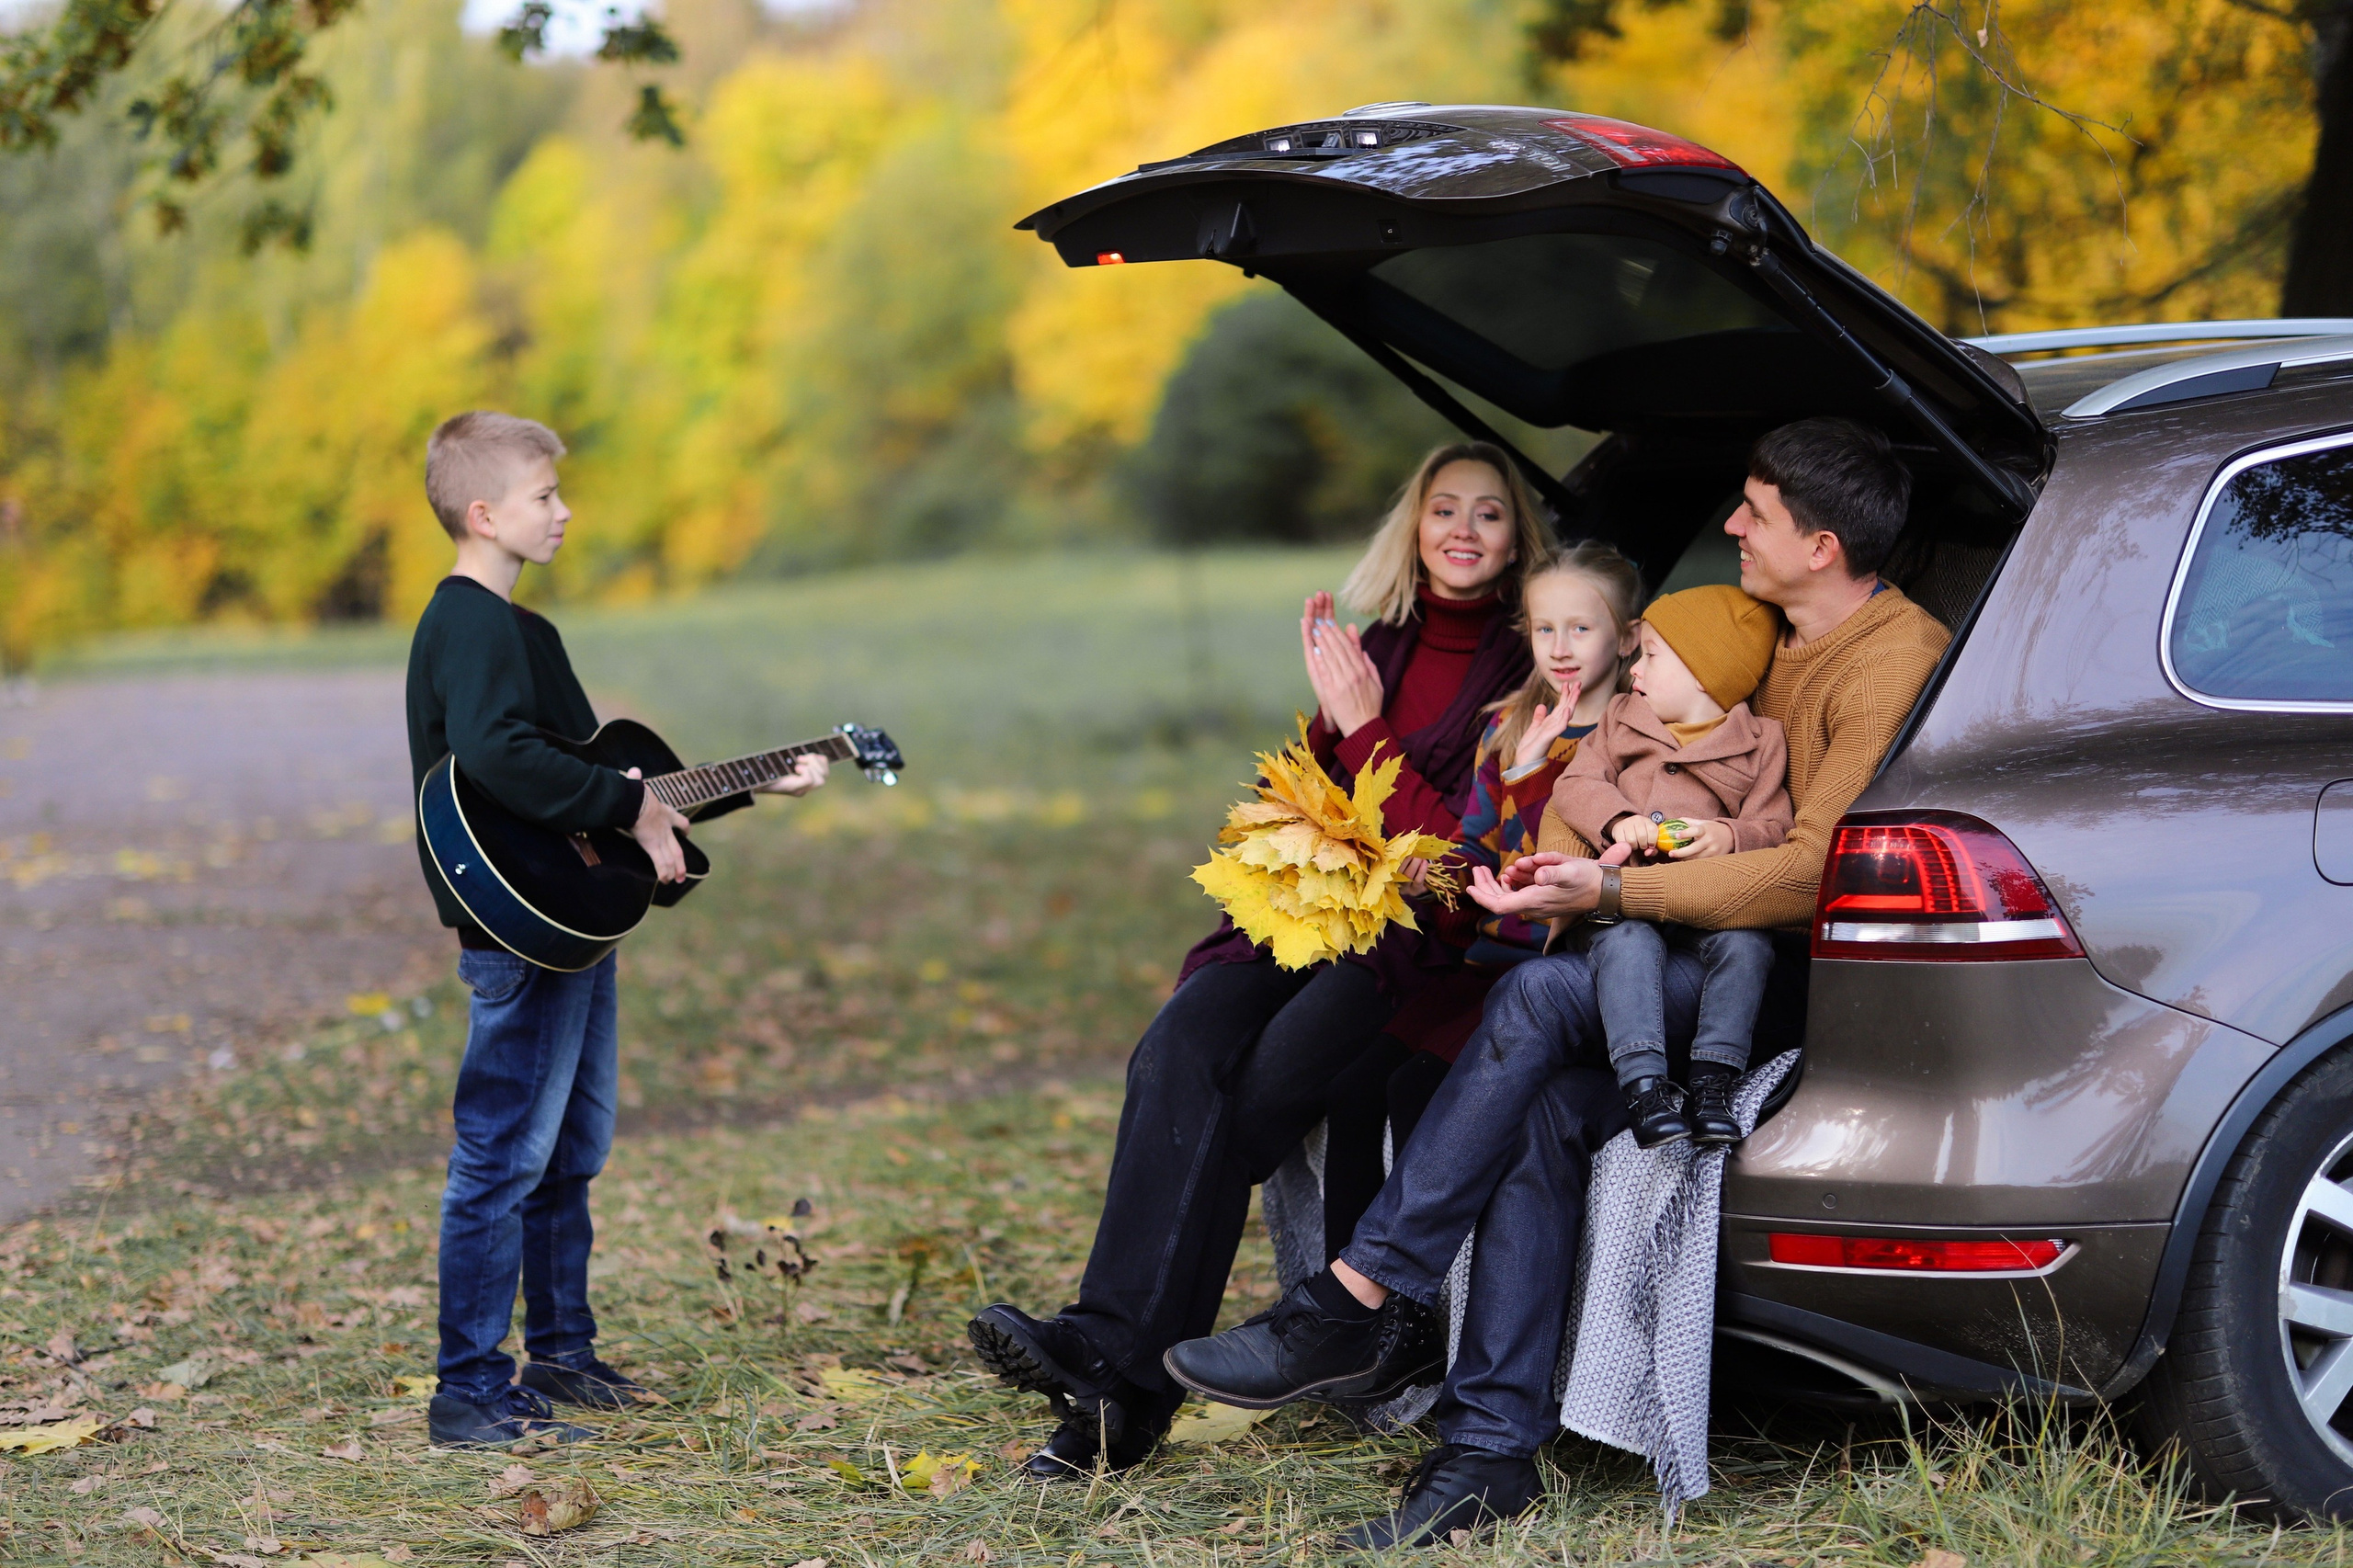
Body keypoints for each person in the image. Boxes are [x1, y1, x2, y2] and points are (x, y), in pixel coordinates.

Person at [1163, 417, 1951, 1551]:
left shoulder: (1887, 658)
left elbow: (1809, 869)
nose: (1730, 525)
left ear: (1820, 545)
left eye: (1755, 512)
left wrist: (1614, 897)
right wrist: (1605, 843)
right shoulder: (1760, 632)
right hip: (1662, 950)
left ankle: (1353, 1298)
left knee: (1529, 1000)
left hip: (1767, 980)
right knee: (1532, 1106)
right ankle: (1488, 1450)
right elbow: (1622, 756)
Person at [967, 443, 1549, 1480]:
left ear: (1517, 543)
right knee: (1174, 1048)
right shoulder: (1383, 642)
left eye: (1489, 514)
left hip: (1410, 955)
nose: (1462, 528)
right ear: (1412, 527)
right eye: (1443, 508)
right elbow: (1309, 809)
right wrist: (1222, 949)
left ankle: (1116, 1392)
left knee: (1252, 1104)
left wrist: (1365, 724)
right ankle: (1109, 1356)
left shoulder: (1523, 670)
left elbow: (1453, 873)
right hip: (1306, 920)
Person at [406, 411, 827, 1447]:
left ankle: (562, 1352)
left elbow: (592, 782)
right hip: (513, 932)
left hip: (568, 924)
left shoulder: (529, 633)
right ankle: (468, 1386)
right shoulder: (467, 622)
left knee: (569, 1151)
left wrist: (741, 787)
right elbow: (502, 758)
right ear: (484, 511)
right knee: (502, 1155)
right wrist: (629, 803)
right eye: (544, 496)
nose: (564, 510)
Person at [1318, 541, 1643, 1249]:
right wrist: (1428, 876)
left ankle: (1412, 1303)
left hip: (1552, 974)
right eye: (1544, 628)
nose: (1560, 647)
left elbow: (1564, 862)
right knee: (1353, 1088)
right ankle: (1329, 1299)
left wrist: (1532, 772)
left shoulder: (1633, 738)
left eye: (1581, 628)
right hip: (1482, 967)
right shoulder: (1505, 727)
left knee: (1415, 1092)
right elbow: (1475, 856)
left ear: (1628, 636)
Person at [1552, 584, 1791, 1148]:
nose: (1634, 669)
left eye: (1652, 656)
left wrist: (1726, 835)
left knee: (1749, 946)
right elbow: (1575, 783)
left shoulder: (1760, 742)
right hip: (1625, 896)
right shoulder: (1619, 717)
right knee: (1627, 942)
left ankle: (1714, 1080)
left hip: (1703, 904)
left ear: (1704, 673)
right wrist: (1617, 820)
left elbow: (1776, 828)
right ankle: (1644, 1084)